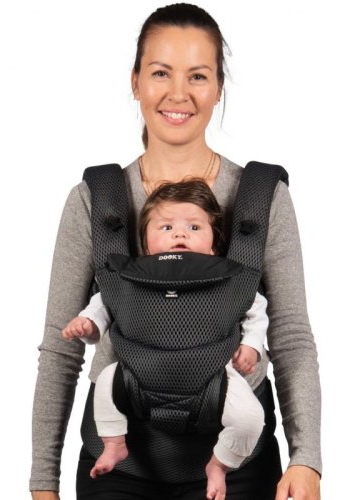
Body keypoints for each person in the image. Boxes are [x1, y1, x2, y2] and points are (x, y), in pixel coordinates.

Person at [30, 3, 322, 500]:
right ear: (136, 81)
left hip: (238, 463)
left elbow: (290, 334)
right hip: (116, 465)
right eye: (161, 72)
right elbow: (61, 349)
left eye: (198, 75)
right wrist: (43, 483)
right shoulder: (95, 201)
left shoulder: (260, 198)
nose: (178, 93)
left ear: (219, 87)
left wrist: (306, 459)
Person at [62, 179, 269, 498]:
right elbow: (102, 308)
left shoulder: (229, 278)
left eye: (194, 227)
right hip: (134, 377)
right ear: (145, 245)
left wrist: (251, 345)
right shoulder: (127, 277)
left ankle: (220, 464)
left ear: (213, 245)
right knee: (104, 381)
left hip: (214, 380)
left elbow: (256, 309)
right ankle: (114, 443)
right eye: (167, 226)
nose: (180, 234)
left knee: (251, 418)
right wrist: (87, 326)